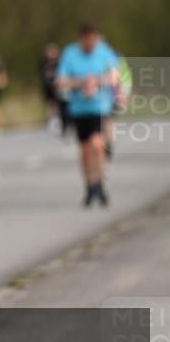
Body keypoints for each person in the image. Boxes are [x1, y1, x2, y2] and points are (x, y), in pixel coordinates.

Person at [56, 22, 119, 207]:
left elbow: (114, 77)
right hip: (79, 109)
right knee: (84, 150)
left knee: (98, 145)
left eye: (93, 41)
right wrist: (82, 83)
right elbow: (60, 81)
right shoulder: (70, 54)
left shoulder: (104, 52)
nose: (90, 45)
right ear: (81, 39)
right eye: (87, 41)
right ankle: (89, 186)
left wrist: (97, 82)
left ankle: (100, 184)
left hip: (99, 107)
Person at [40, 43, 66, 136]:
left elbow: (61, 74)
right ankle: (51, 119)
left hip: (56, 87)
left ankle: (58, 119)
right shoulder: (44, 64)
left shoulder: (59, 63)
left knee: (57, 102)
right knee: (49, 102)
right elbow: (42, 74)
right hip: (47, 86)